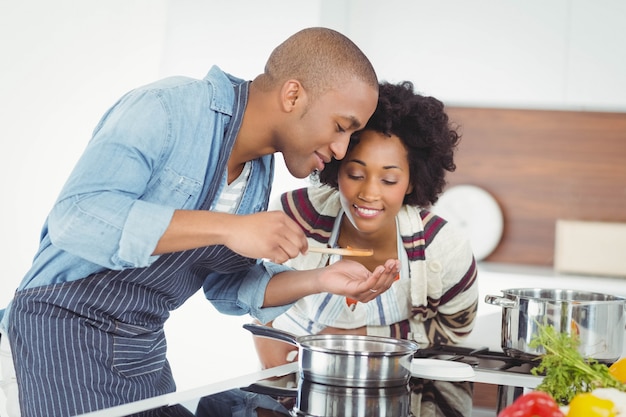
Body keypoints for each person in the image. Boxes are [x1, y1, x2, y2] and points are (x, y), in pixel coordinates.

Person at [0, 27, 403, 417]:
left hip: (139, 354)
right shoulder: (167, 108)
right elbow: (77, 218)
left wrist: (320, 279)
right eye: (340, 127)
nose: (339, 149)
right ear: (293, 95)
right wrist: (228, 227)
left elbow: (226, 287)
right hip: (58, 336)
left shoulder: (257, 173)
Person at [252, 81, 479, 372]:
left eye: (388, 180)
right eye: (356, 174)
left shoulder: (443, 248)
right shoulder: (294, 216)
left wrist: (347, 340)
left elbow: (454, 336)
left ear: (412, 181)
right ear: (336, 166)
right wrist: (281, 393)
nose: (369, 193)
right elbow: (261, 311)